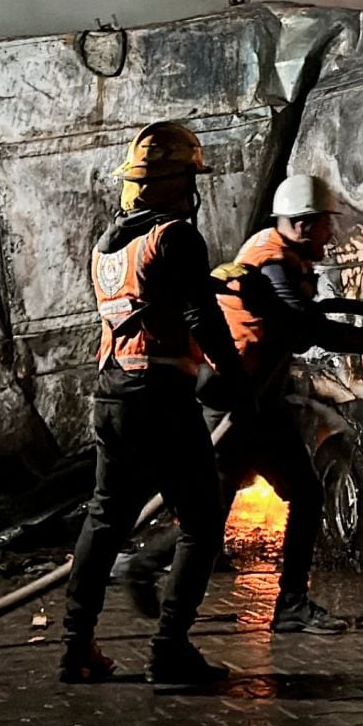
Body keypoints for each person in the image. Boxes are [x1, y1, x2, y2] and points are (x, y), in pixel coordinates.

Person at [123, 173, 363, 635]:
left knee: (302, 495)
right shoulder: (272, 263)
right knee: (209, 515)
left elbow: (305, 315)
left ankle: (291, 603)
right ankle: (148, 569)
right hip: (233, 402)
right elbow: (303, 325)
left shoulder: (281, 255)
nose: (331, 235)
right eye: (326, 225)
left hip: (257, 403)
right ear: (304, 225)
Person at [59, 122, 249, 686]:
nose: (193, 188)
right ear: (169, 183)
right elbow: (199, 317)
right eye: (189, 176)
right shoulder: (177, 236)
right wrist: (236, 381)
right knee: (202, 520)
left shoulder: (108, 244)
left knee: (106, 517)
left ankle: (75, 649)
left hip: (111, 393)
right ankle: (170, 651)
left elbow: (157, 293)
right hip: (161, 396)